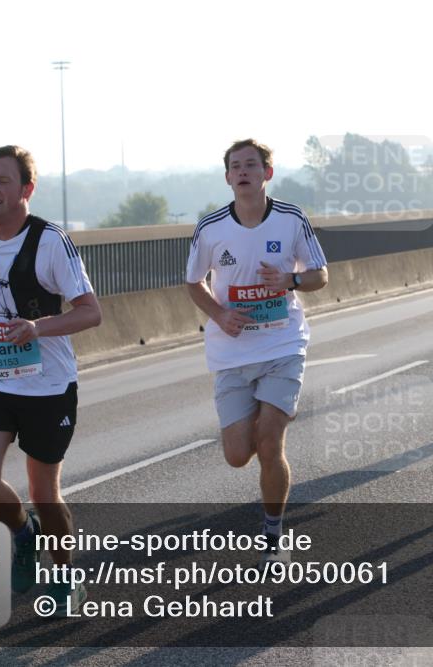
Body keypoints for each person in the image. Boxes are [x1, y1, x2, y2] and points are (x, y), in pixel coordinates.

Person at [0, 145, 102, 614]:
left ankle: (64, 577)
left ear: (26, 189)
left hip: (48, 384)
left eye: (1, 181)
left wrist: (37, 328)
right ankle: (22, 533)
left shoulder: (51, 241)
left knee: (43, 492)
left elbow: (90, 313)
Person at [185, 139, 328, 562]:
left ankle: (272, 535)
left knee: (270, 442)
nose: (243, 172)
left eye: (251, 165)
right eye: (235, 166)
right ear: (228, 177)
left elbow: (320, 274)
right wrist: (219, 314)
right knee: (236, 454)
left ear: (268, 173)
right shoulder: (210, 228)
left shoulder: (290, 219)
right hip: (231, 350)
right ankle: (268, 412)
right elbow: (194, 281)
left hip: (283, 341)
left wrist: (291, 282)